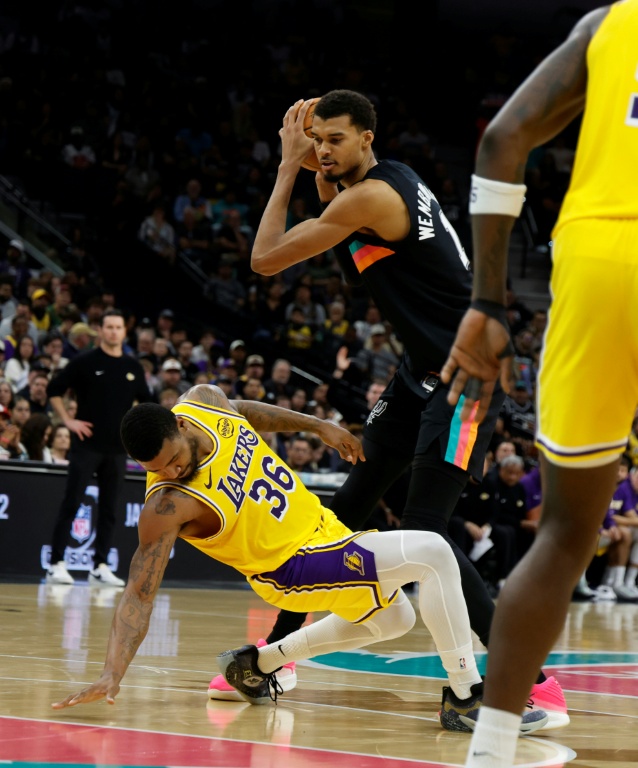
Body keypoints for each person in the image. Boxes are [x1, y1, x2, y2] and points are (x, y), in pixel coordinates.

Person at [232, 89, 565, 727]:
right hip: (421, 372)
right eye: (316, 139)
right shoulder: (377, 184)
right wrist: (317, 168)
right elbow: (331, 204)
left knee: (427, 536)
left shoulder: (372, 197)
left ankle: (529, 680)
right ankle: (272, 659)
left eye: (334, 140)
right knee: (344, 511)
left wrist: (286, 165)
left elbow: (264, 258)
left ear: (367, 138)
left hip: (468, 376)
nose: (322, 150)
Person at [49, 384, 547, 735]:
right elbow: (139, 592)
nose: (172, 472)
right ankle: (466, 696)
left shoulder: (203, 402)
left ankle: (258, 664)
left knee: (396, 618)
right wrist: (112, 672)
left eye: (175, 460)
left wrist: (318, 426)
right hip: (289, 566)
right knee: (433, 551)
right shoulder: (166, 505)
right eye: (158, 469)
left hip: (323, 531)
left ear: (181, 423)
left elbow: (244, 412)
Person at [438, 3, 638, 765]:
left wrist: (488, 303)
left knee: (561, 536)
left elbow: (502, 137)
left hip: (597, 261)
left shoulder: (612, 24)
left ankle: (491, 750)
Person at [45, 309, 152, 588]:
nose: (114, 331)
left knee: (109, 509)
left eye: (118, 327)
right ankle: (56, 563)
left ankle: (100, 566)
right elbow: (54, 389)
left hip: (117, 449)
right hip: (87, 445)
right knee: (72, 502)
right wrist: (67, 420)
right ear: (101, 331)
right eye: (109, 327)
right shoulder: (84, 362)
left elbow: (147, 404)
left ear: (124, 332)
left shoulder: (132, 367)